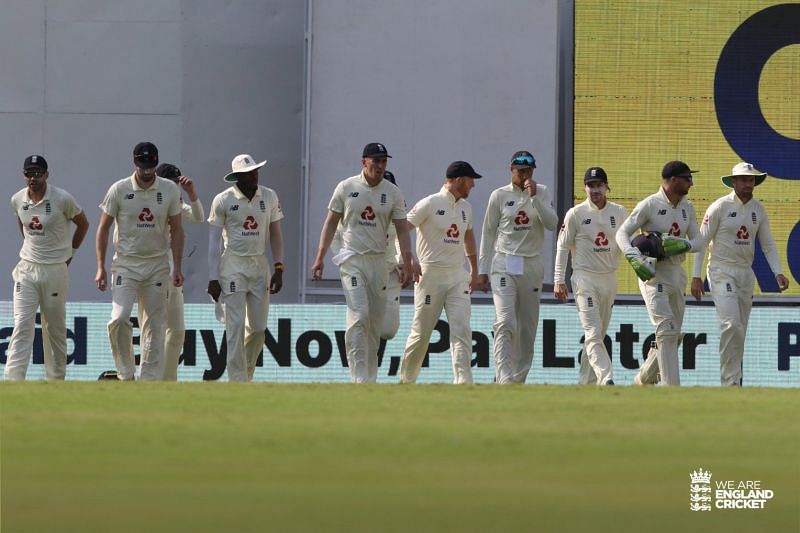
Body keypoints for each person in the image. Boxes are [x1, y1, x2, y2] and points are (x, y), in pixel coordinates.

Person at [311, 143, 419, 383]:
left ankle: (369, 377)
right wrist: (320, 257)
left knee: (375, 323)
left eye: (384, 162)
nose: (380, 166)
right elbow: (330, 224)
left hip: (379, 263)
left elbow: (402, 230)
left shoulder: (392, 193)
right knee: (359, 315)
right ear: (364, 162)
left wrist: (408, 261)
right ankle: (358, 376)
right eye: (376, 161)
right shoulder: (346, 187)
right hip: (353, 261)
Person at [690, 162, 790, 386]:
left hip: (746, 273)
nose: (748, 183)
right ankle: (730, 381)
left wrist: (778, 272)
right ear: (733, 182)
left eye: (751, 179)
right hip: (720, 270)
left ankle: (734, 380)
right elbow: (701, 242)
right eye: (743, 179)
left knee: (740, 329)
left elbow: (768, 245)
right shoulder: (719, 207)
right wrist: (697, 277)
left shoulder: (758, 210)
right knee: (731, 324)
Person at [96, 142, 184, 381]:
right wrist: (100, 267)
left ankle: (149, 380)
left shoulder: (169, 190)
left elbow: (177, 229)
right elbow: (103, 229)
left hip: (157, 265)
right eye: (143, 167)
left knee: (155, 324)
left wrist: (177, 266)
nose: (147, 172)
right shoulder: (119, 189)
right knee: (119, 318)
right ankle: (126, 373)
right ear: (135, 163)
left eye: (151, 167)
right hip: (126, 263)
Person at [616, 160, 702, 386]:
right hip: (653, 273)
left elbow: (699, 240)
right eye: (687, 178)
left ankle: (643, 379)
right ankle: (671, 387)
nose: (691, 183)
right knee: (665, 329)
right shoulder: (650, 204)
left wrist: (682, 245)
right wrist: (633, 256)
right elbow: (622, 234)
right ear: (673, 180)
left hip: (677, 272)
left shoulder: (687, 207)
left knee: (673, 334)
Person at [4, 155, 90, 380]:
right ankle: (13, 379)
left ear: (46, 174)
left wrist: (69, 254)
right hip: (27, 269)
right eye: (29, 173)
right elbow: (23, 226)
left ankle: (56, 378)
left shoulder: (62, 199)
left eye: (37, 173)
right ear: (24, 175)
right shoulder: (17, 199)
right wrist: (33, 250)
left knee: (55, 327)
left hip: (55, 271)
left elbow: (83, 224)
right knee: (22, 324)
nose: (33, 178)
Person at [477, 151, 558, 384]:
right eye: (520, 170)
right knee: (504, 320)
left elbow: (552, 223)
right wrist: (482, 271)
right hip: (505, 262)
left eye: (529, 171)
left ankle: (518, 379)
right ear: (511, 169)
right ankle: (504, 378)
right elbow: (488, 232)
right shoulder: (499, 195)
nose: (525, 175)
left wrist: (534, 199)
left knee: (527, 327)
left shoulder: (541, 192)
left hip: (532, 264)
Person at [399, 161, 481, 384]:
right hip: (430, 276)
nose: (473, 185)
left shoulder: (466, 208)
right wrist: (408, 259)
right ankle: (406, 380)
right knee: (421, 332)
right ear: (458, 180)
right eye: (470, 180)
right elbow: (402, 228)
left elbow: (469, 237)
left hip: (457, 276)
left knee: (462, 329)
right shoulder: (430, 203)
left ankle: (464, 382)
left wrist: (474, 270)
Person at [207, 154, 284, 382]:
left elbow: (276, 234)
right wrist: (213, 278)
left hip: (260, 265)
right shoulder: (222, 200)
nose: (254, 175)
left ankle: (246, 373)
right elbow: (214, 242)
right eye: (248, 173)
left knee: (259, 328)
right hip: (233, 264)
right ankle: (236, 379)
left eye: (255, 171)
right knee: (236, 326)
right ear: (237, 177)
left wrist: (279, 267)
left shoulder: (269, 196)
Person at [554, 167, 628, 386]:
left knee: (597, 335)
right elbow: (562, 246)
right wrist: (559, 280)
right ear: (585, 187)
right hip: (584, 278)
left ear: (606, 186)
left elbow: (629, 242)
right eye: (590, 185)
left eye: (598, 185)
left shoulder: (619, 212)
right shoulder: (576, 214)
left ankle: (585, 383)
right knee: (593, 331)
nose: (594, 190)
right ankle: (607, 378)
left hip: (609, 278)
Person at [329, 171, 405, 341]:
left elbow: (401, 237)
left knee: (387, 330)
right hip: (359, 267)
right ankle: (361, 355)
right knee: (361, 317)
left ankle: (365, 343)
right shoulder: (356, 206)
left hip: (389, 270)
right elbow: (335, 233)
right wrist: (343, 258)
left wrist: (402, 261)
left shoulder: (395, 208)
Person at [153, 163, 205, 381]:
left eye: (177, 183)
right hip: (152, 271)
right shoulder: (150, 201)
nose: (175, 187)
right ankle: (151, 378)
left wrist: (192, 193)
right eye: (172, 183)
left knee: (176, 331)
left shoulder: (176, 201)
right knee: (155, 329)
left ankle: (168, 380)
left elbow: (198, 217)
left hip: (173, 272)